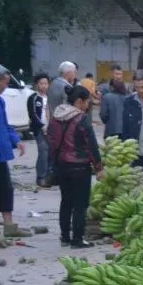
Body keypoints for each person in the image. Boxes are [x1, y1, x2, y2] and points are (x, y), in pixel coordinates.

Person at [48, 85, 102, 248]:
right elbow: (91, 146)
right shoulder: (81, 118)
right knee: (80, 204)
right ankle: (78, 239)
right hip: (79, 166)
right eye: (87, 102)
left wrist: (54, 162)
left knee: (66, 202)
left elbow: (51, 141)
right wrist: (99, 167)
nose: (88, 105)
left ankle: (65, 237)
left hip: (62, 165)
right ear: (79, 101)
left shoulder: (56, 116)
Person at [0, 66, 29, 238]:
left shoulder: (0, 101)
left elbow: (5, 125)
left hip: (1, 153)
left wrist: (16, 141)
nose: (5, 87)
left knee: (6, 189)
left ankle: (9, 226)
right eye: (4, 83)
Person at [28, 74, 50, 187]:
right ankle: (41, 177)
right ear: (36, 84)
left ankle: (49, 175)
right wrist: (42, 126)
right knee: (43, 152)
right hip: (39, 129)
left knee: (50, 152)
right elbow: (33, 114)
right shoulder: (33, 98)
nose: (44, 86)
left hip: (51, 129)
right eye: (41, 83)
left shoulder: (50, 97)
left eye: (46, 83)